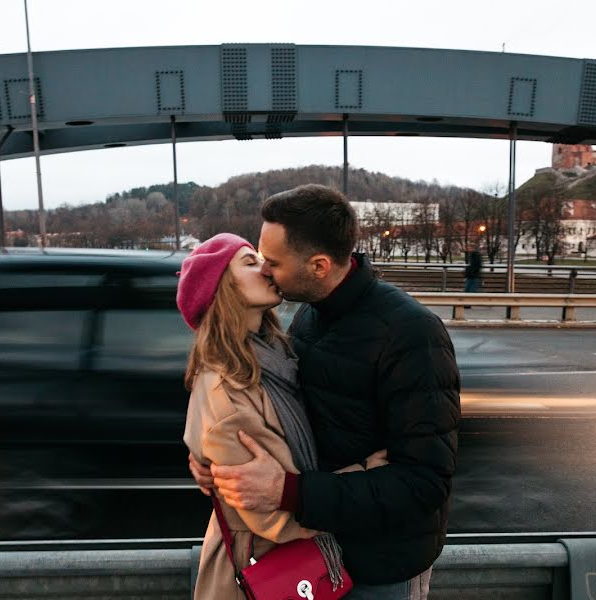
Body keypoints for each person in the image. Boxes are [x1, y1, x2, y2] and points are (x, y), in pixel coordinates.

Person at [189, 185, 461, 600]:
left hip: (378, 568)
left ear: (318, 265)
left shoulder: (410, 334)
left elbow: (424, 483)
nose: (264, 269)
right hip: (314, 560)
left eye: (273, 262)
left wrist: (289, 492)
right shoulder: (308, 319)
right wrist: (214, 456)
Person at [178, 232, 387, 599]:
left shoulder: (275, 356)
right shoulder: (225, 391)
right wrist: (371, 475)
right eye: (249, 262)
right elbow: (272, 515)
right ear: (221, 290)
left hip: (297, 565)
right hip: (267, 572)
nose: (267, 269)